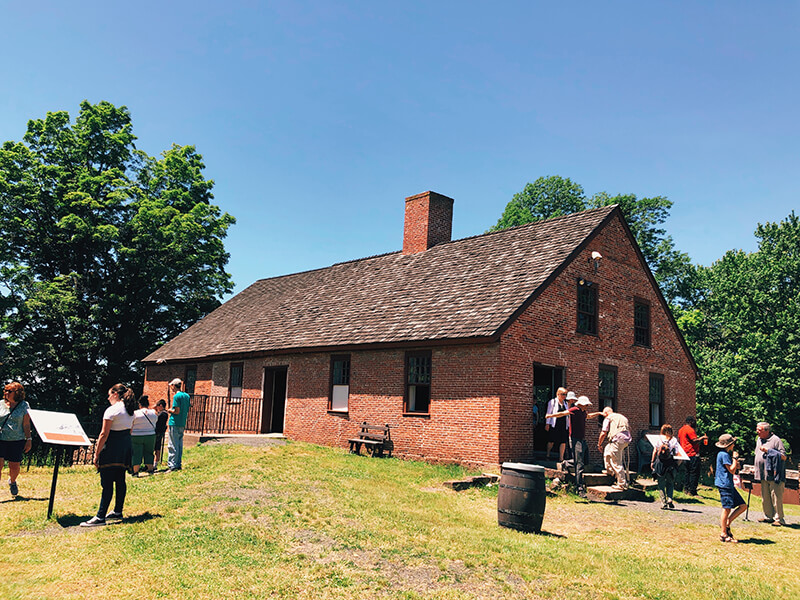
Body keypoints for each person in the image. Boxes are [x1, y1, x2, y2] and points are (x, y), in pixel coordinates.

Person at [81, 383, 137, 526]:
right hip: (125, 446)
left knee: (106, 482)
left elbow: (103, 434)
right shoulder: (131, 410)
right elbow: (129, 430)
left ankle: (100, 517)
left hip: (111, 447)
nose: (108, 398)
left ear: (115, 394)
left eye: (109, 394)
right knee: (120, 480)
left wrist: (97, 453)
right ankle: (118, 510)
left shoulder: (112, 410)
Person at [548, 395, 592, 498]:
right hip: (575, 439)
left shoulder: (583, 412)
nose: (587, 407)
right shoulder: (575, 409)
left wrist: (599, 413)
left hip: (582, 440)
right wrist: (550, 416)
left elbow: (588, 416)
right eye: (586, 405)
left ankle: (566, 463)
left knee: (583, 460)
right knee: (579, 464)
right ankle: (579, 488)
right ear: (581, 404)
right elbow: (563, 413)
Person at [1, 382, 32, 498]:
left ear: (17, 393)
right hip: (1, 439)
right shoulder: (0, 404)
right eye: (5, 390)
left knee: (14, 467)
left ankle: (12, 481)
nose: (6, 393)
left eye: (9, 391)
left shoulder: (24, 405)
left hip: (16, 440)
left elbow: (26, 424)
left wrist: (28, 439)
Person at [753, 422, 787, 526]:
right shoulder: (759, 440)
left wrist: (769, 451)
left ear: (767, 431)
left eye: (759, 430)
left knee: (775, 496)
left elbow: (783, 456)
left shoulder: (776, 440)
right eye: (757, 429)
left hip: (774, 474)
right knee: (765, 496)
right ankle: (768, 516)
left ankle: (779, 519)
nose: (757, 431)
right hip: (763, 473)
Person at [714, 433, 746, 542]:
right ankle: (723, 533)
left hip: (729, 484)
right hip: (725, 484)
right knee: (726, 508)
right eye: (733, 443)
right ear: (729, 444)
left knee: (743, 505)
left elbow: (732, 468)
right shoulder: (723, 455)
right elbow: (731, 470)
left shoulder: (724, 454)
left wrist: (735, 462)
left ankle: (727, 523)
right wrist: (735, 458)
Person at [597, 406, 632, 490]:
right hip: (625, 440)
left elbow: (603, 432)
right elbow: (629, 428)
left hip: (617, 440)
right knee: (607, 450)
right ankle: (610, 471)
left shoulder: (608, 418)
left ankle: (621, 484)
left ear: (606, 413)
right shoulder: (622, 417)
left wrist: (599, 444)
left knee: (616, 462)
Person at [651, 424, 679, 510]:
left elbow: (655, 451)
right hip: (670, 463)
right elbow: (677, 453)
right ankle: (670, 498)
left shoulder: (659, 439)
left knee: (661, 484)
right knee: (670, 483)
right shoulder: (674, 440)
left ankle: (663, 503)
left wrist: (652, 462)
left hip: (660, 464)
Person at [678, 416, 707, 495]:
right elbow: (694, 441)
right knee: (694, 473)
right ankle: (692, 491)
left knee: (687, 472)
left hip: (684, 454)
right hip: (692, 453)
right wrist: (702, 438)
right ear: (691, 422)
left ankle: (686, 489)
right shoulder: (690, 430)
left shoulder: (681, 429)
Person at [167, 378, 191, 471]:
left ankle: (172, 465)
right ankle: (178, 464)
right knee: (179, 445)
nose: (171, 388)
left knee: (172, 444)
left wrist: (169, 410)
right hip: (182, 422)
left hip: (174, 422)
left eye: (171, 386)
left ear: (173, 385)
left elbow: (176, 411)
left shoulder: (176, 396)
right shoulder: (186, 396)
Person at [131, 395, 157, 476]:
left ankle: (135, 472)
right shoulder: (154, 412)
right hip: (150, 435)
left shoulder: (135, 413)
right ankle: (150, 469)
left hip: (136, 435)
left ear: (139, 404)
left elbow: (131, 424)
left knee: (136, 453)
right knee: (149, 452)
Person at [544, 388, 570, 462]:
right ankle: (548, 454)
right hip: (554, 424)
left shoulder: (565, 404)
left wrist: (568, 425)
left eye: (565, 394)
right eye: (563, 394)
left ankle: (561, 458)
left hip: (563, 424)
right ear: (558, 394)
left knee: (563, 441)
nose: (564, 396)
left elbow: (567, 415)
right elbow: (549, 413)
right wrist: (547, 423)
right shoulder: (552, 402)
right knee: (551, 440)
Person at [154, 399, 168, 469]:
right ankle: (155, 463)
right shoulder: (164, 413)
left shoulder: (163, 413)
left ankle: (155, 463)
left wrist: (154, 411)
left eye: (157, 406)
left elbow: (156, 419)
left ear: (161, 406)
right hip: (159, 432)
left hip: (158, 432)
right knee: (157, 448)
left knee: (156, 448)